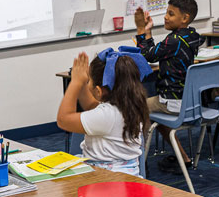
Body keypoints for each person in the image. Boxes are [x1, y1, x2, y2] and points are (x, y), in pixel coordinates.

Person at [56, 47, 151, 176]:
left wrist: (75, 83)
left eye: (89, 82)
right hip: (125, 177)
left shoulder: (107, 116)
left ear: (99, 91)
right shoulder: (129, 105)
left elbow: (63, 120)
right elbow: (91, 105)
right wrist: (83, 83)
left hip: (108, 180)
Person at [133, 0, 202, 171]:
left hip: (173, 101)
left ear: (184, 18)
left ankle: (138, 162)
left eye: (171, 14)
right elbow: (155, 52)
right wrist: (148, 34)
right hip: (190, 101)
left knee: (134, 107)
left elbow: (148, 55)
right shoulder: (192, 36)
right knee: (158, 117)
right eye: (166, 12)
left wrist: (141, 31)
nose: (165, 17)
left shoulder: (174, 40)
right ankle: (183, 158)